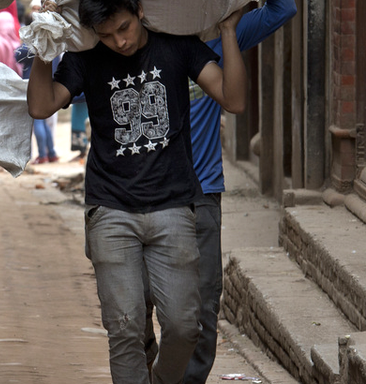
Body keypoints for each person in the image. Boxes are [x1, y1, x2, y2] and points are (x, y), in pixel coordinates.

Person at [26, 0, 247, 382]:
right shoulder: (87, 57)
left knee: (184, 327)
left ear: (140, 11)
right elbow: (41, 106)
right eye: (107, 35)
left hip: (175, 206)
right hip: (110, 210)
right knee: (125, 329)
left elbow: (235, 99)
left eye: (124, 28)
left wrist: (228, 31)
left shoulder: (176, 46)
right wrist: (44, 50)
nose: (119, 42)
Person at [143, 0, 297, 382]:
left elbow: (284, 8)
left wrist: (230, 21)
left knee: (202, 309)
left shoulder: (219, 38)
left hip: (201, 193)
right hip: (142, 196)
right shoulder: (132, 41)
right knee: (136, 302)